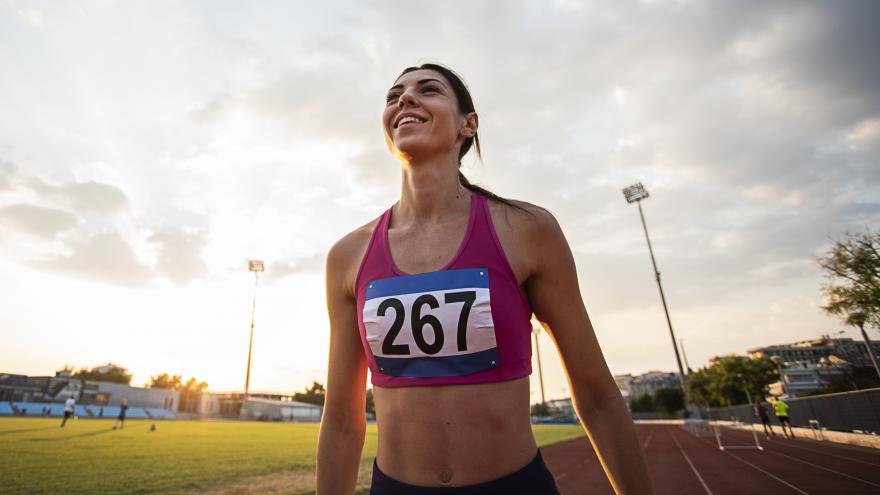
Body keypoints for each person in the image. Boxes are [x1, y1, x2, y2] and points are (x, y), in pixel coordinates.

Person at [316, 63, 654, 494]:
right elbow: (343, 420)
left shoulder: (526, 229)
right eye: (393, 95)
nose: (405, 99)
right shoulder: (348, 255)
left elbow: (597, 396)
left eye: (428, 89)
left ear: (468, 124)